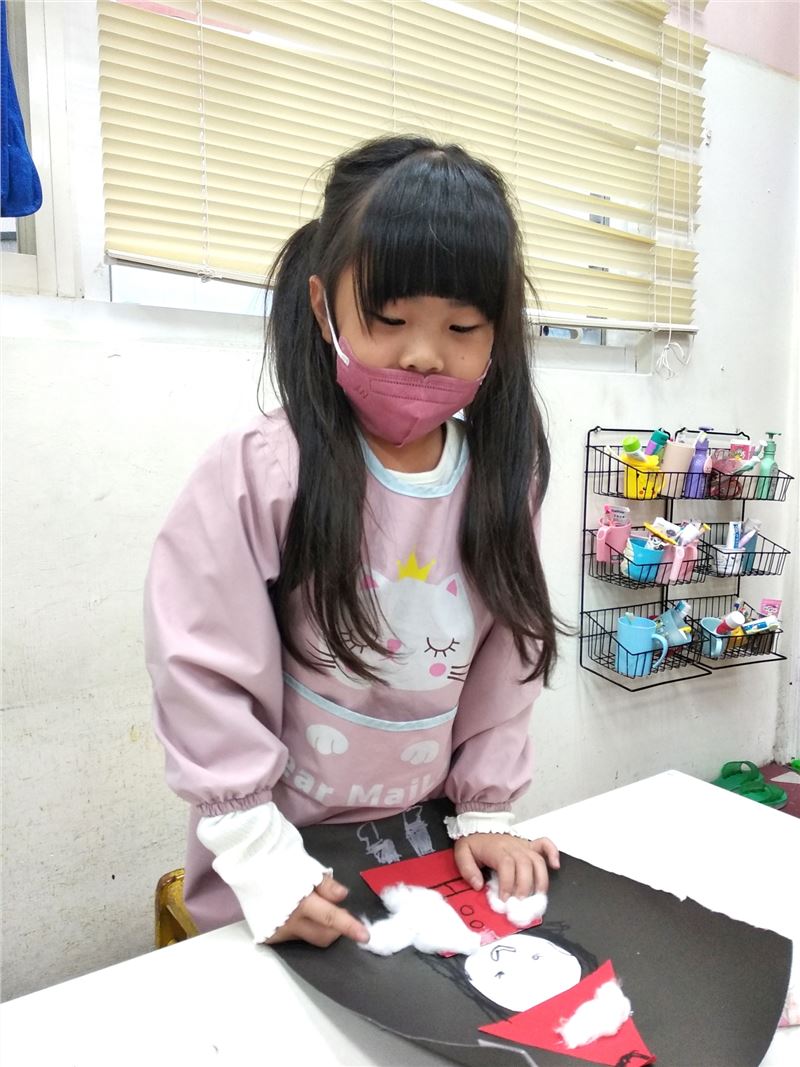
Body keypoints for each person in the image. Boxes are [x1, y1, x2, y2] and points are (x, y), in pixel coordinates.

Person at [144, 134, 561, 950]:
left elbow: (508, 658)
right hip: (277, 847)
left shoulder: (506, 481)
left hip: (425, 843)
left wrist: (485, 808)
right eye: (390, 319)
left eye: (462, 326)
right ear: (321, 305)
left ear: (500, 332)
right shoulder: (265, 469)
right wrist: (258, 851)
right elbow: (197, 664)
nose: (423, 354)